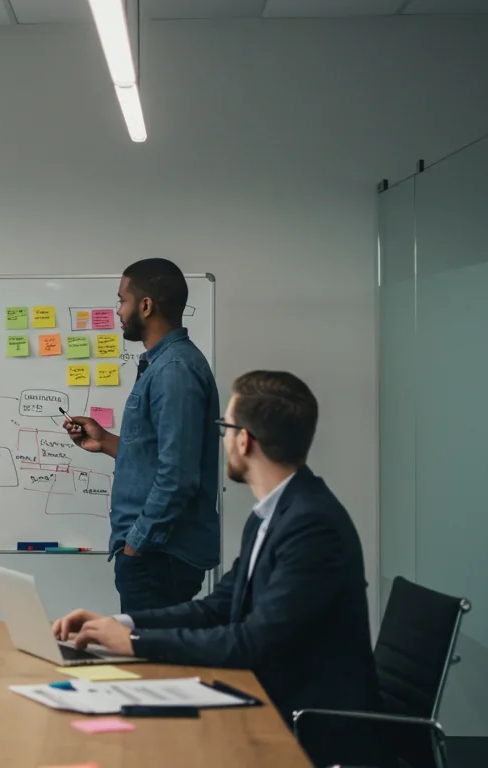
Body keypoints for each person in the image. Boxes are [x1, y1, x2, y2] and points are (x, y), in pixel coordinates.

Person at [53, 371, 380, 766]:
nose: (222, 439)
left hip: (305, 729)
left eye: (224, 427)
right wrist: (123, 625)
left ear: (244, 440)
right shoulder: (274, 514)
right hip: (273, 703)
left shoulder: (311, 526)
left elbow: (253, 642)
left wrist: (134, 645)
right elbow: (218, 608)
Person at [61, 258, 219, 612]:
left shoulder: (175, 370)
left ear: (146, 306)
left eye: (122, 300)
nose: (118, 311)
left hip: (159, 557)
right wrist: (104, 441)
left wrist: (137, 544)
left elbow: (178, 476)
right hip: (154, 555)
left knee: (153, 666)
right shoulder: (163, 365)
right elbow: (160, 457)